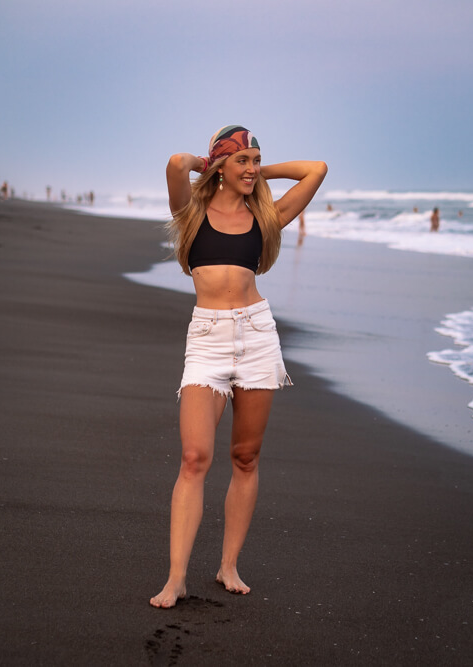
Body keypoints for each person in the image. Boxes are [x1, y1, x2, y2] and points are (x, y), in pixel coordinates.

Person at [149, 125, 327, 609]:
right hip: (206, 339)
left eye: (257, 159)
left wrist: (255, 173)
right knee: (194, 457)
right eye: (243, 160)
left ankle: (228, 565)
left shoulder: (265, 214)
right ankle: (177, 578)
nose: (252, 167)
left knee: (245, 458)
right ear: (221, 166)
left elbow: (317, 170)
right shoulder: (191, 213)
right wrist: (215, 166)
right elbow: (174, 163)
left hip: (257, 335)